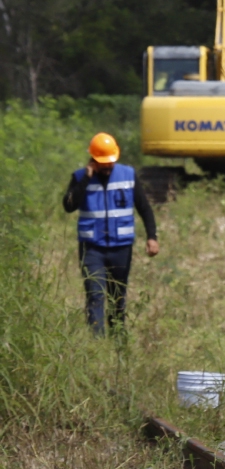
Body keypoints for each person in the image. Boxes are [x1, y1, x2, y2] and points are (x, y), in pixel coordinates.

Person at [62, 133, 159, 336]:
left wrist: (152, 236)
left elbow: (144, 208)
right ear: (93, 160)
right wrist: (87, 178)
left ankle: (117, 340)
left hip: (121, 248)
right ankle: (96, 344)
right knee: (95, 294)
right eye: (102, 163)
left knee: (118, 296)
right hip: (92, 248)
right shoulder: (80, 177)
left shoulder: (128, 175)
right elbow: (69, 206)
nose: (107, 167)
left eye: (110, 162)